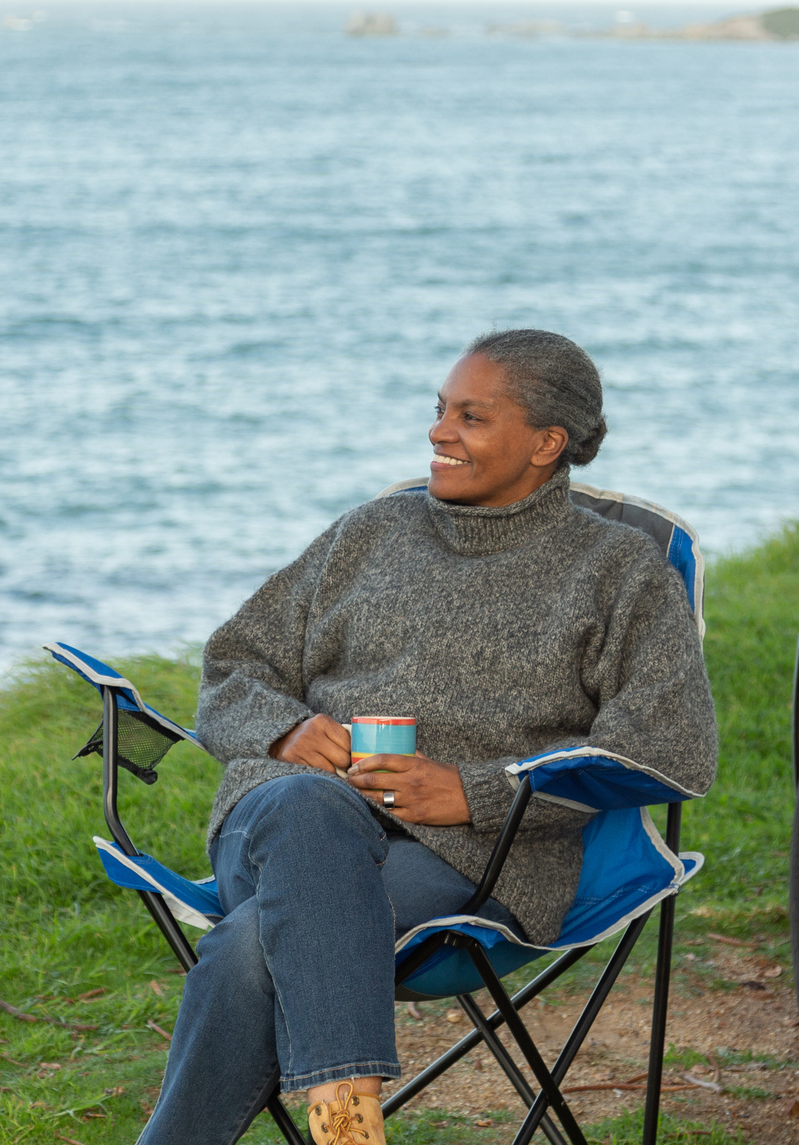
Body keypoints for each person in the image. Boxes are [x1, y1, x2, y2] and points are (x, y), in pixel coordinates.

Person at [137, 329, 718, 1145]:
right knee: (306, 804)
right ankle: (348, 1122)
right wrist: (282, 730)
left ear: (546, 443)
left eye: (471, 418)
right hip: (276, 823)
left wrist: (480, 792)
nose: (439, 433)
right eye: (440, 412)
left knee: (252, 945)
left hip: (470, 861)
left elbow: (670, 747)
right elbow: (232, 666)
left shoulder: (618, 574)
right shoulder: (367, 533)